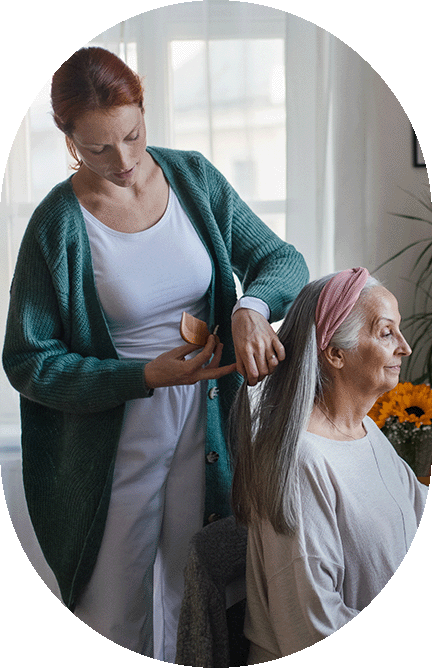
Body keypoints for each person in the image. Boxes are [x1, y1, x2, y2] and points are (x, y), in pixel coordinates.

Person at [2, 46, 308, 662]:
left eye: (133, 136)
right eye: (98, 149)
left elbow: (284, 261)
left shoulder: (192, 177)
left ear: (144, 109)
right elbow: (30, 361)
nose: (124, 161)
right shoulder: (57, 225)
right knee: (111, 613)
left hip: (204, 425)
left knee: (191, 596)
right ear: (69, 141)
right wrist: (141, 375)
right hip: (112, 443)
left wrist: (250, 308)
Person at [231, 267, 428, 662]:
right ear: (335, 353)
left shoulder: (365, 432)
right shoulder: (302, 462)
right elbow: (313, 636)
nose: (404, 347)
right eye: (386, 332)